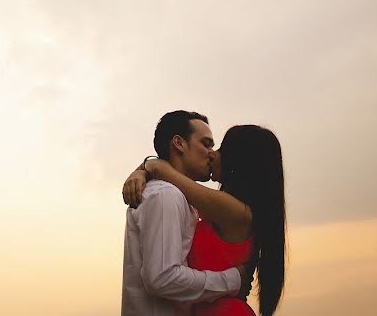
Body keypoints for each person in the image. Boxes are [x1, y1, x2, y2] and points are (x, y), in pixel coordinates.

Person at [123, 124, 286, 316]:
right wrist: (143, 171)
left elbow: (165, 173)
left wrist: (149, 166)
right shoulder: (217, 209)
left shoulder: (235, 211)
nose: (213, 155)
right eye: (208, 146)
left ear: (239, 161)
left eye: (221, 149)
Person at [122, 110, 244, 315]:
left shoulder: (181, 198)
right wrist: (232, 279)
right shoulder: (165, 196)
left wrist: (144, 167)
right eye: (206, 144)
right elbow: (162, 278)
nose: (212, 154)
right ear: (178, 143)